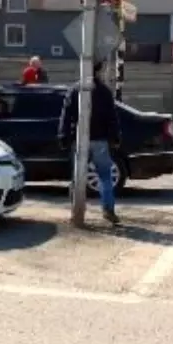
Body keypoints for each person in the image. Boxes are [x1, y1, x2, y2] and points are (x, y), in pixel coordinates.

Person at [58, 60, 122, 225]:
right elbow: (112, 117)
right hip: (100, 140)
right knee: (105, 176)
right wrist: (115, 137)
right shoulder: (104, 92)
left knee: (78, 176)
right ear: (99, 71)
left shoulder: (75, 90)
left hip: (80, 140)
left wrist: (63, 136)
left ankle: (76, 212)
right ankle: (108, 209)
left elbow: (66, 115)